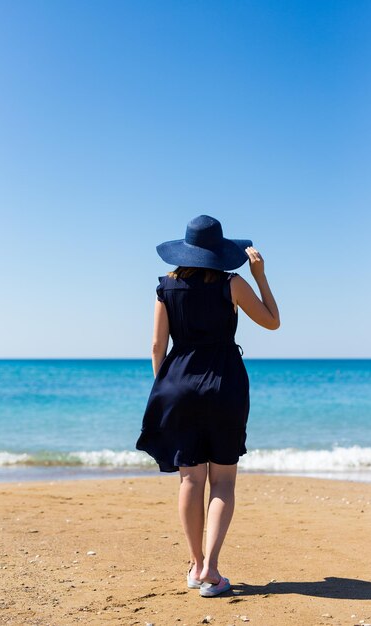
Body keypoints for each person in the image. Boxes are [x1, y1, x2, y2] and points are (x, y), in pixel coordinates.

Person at [136, 215, 280, 597]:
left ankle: (196, 565)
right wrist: (260, 275)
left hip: (177, 385)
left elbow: (156, 347)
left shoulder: (165, 287)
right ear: (219, 252)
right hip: (224, 384)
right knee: (223, 481)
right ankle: (212, 572)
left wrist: (164, 387)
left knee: (190, 478)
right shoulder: (232, 284)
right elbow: (272, 322)